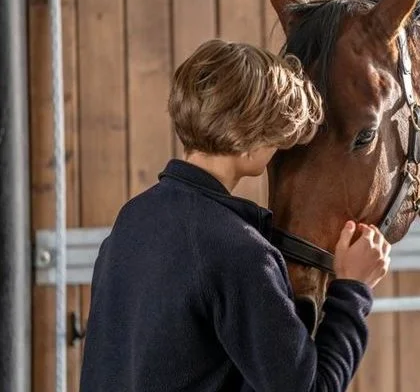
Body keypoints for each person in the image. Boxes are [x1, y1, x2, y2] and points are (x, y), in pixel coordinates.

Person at [79, 39, 391, 391]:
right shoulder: (238, 253)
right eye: (277, 136)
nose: (281, 147)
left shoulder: (134, 218)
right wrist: (354, 288)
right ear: (250, 140)